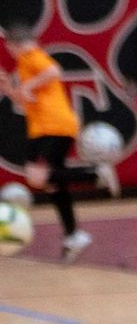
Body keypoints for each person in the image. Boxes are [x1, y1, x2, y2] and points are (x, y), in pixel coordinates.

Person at [5, 28, 90, 261]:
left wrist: (29, 86)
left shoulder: (31, 55)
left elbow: (54, 71)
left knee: (38, 176)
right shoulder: (24, 64)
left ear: (15, 44)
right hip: (44, 127)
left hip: (53, 126)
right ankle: (73, 235)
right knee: (53, 184)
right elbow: (24, 101)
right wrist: (8, 89)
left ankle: (94, 174)